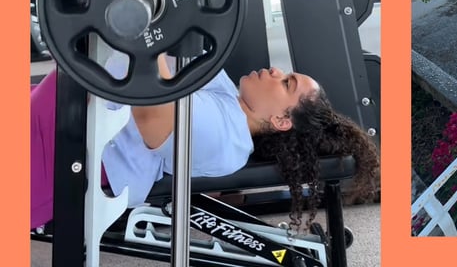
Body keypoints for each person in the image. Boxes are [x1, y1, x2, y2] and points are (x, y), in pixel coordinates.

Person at [30, 54, 380, 232]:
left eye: (286, 83)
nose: (275, 72)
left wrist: (145, 25)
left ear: (281, 121)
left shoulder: (228, 139)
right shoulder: (226, 91)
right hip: (51, 114)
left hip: (52, 153)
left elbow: (151, 116)